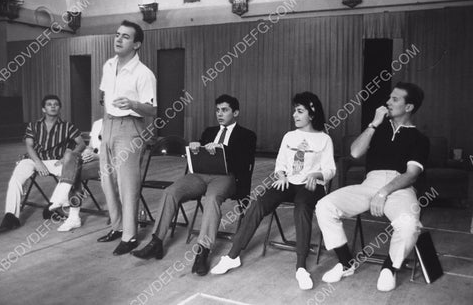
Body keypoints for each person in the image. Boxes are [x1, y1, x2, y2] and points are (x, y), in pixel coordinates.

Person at [210, 92, 335, 290]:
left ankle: (301, 267)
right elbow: (280, 164)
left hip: (312, 186)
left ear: (311, 115)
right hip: (288, 182)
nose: (295, 115)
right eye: (294, 111)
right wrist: (282, 175)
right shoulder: (289, 136)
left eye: (300, 111)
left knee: (302, 206)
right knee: (259, 202)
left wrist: (317, 175)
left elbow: (330, 169)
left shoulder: (324, 139)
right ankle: (232, 256)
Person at [315, 82, 429, 292]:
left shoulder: (420, 139)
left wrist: (384, 192)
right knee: (324, 205)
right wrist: (374, 124)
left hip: (399, 188)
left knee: (409, 225)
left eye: (395, 99)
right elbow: (355, 153)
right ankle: (346, 263)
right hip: (369, 183)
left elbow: (411, 174)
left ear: (409, 107)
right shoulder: (378, 129)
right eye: (389, 98)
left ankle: (390, 267)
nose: (388, 102)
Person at [131, 94, 257, 276]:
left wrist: (222, 151)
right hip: (200, 174)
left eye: (225, 110)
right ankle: (156, 242)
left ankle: (202, 251)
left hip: (226, 177)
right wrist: (197, 148)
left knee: (211, 199)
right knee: (170, 192)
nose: (220, 114)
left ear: (235, 112)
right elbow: (196, 160)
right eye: (217, 110)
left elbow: (244, 164)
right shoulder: (209, 131)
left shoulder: (247, 135)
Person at [96, 20, 157, 256]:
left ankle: (130, 236)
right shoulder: (109, 65)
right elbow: (105, 97)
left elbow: (152, 110)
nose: (118, 39)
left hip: (130, 128)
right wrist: (103, 127)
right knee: (107, 181)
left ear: (137, 44)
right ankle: (117, 226)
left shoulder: (144, 74)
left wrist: (132, 104)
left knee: (126, 184)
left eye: (125, 37)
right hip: (109, 125)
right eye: (117, 35)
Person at [0, 95, 85, 233]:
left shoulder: (67, 126)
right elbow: (29, 146)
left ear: (60, 108)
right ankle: (11, 217)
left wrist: (69, 156)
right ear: (43, 109)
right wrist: (38, 163)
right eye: (49, 104)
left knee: (71, 174)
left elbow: (82, 144)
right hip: (34, 159)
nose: (53, 106)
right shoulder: (34, 125)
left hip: (55, 161)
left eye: (56, 104)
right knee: (16, 178)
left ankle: (53, 207)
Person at [48, 119, 103, 232]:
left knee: (74, 171)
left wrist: (97, 157)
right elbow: (90, 146)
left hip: (107, 163)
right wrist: (87, 152)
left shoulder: (120, 123)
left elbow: (119, 153)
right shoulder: (98, 123)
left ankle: (72, 215)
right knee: (70, 155)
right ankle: (64, 195)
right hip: (92, 159)